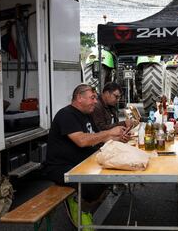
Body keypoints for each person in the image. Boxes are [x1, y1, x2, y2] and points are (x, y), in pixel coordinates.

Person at [44, 84, 129, 228]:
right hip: (62, 168)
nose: (96, 101)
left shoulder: (86, 115)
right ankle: (79, 205)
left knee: (110, 174)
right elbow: (82, 141)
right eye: (92, 98)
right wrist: (109, 132)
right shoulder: (66, 114)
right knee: (94, 184)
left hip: (82, 163)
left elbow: (97, 137)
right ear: (79, 98)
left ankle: (84, 205)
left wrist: (119, 137)